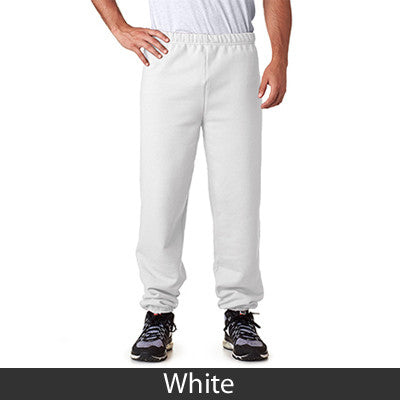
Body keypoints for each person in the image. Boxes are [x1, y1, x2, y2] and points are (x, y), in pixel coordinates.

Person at [92, 0, 292, 362]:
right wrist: (119, 27)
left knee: (239, 193)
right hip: (169, 51)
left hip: (236, 52)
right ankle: (158, 311)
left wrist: (280, 58)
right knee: (161, 192)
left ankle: (240, 312)